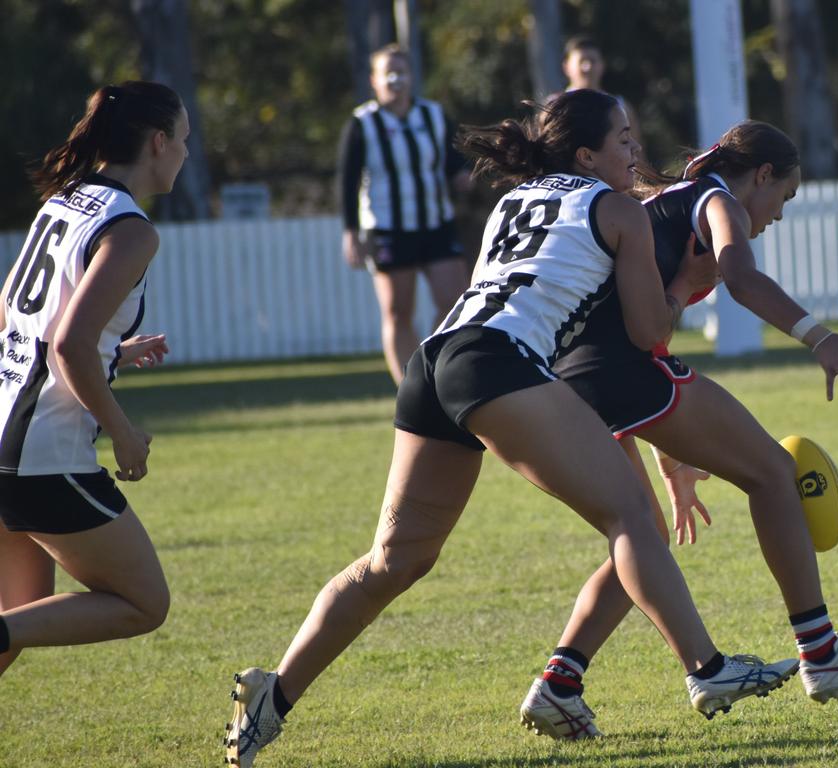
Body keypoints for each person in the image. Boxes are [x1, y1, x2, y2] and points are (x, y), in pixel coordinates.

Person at [224, 91, 797, 768]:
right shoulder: (617, 210)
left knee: (394, 561)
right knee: (633, 517)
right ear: (587, 155)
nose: (634, 151)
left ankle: (274, 694)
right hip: (497, 365)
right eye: (621, 139)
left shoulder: (515, 200)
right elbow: (648, 333)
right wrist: (686, 285)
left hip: (434, 360)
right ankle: (707, 667)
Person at [519, 120, 838, 739]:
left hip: (568, 378)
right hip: (613, 370)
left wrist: (673, 466)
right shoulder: (715, 199)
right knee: (773, 473)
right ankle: (822, 652)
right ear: (761, 177)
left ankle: (559, 684)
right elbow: (738, 274)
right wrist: (821, 337)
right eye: (783, 197)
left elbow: (641, 322)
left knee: (639, 538)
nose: (778, 215)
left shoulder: (664, 206)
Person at [0, 81, 189, 677]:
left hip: (5, 432)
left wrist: (115, 353)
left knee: (18, 624)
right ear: (158, 143)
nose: (187, 152)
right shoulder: (132, 231)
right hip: (43, 455)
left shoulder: (66, 199)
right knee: (143, 603)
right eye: (184, 140)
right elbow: (68, 344)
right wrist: (124, 433)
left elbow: (16, 316)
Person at [339, 43, 472, 385]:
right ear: (375, 80)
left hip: (435, 222)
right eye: (389, 73)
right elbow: (347, 180)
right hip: (388, 228)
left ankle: (431, 368)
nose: (396, 80)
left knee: (456, 301)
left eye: (402, 72)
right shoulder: (362, 123)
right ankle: (409, 388)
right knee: (399, 312)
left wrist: (464, 176)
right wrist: (351, 232)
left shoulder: (432, 115)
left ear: (413, 77)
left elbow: (454, 160)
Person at [553, 35, 642, 146]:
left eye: (593, 61)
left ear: (602, 65)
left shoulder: (621, 107)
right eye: (582, 61)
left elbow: (636, 156)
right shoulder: (555, 107)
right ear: (566, 67)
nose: (588, 67)